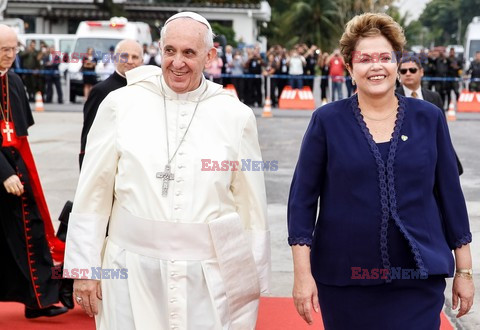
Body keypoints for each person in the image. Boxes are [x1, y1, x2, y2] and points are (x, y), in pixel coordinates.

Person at [64, 12, 270, 330]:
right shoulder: (120, 104)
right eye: (170, 51)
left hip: (206, 275)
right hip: (129, 269)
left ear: (210, 55)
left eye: (189, 52)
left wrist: (251, 278)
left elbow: (251, 204)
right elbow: (94, 190)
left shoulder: (235, 115)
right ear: (159, 51)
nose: (177, 62)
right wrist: (84, 268)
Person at [288, 13, 474, 330]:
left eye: (385, 57)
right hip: (345, 280)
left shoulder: (428, 117)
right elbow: (302, 202)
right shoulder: (327, 121)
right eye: (365, 59)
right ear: (349, 68)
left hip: (418, 277)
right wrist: (302, 275)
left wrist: (465, 271)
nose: (376, 66)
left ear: (396, 64)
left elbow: (450, 197)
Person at [0, 24, 69, 319]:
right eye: (5, 50)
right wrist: (3, 172)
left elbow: (19, 134)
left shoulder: (13, 81)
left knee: (31, 232)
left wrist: (19, 170)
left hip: (16, 167)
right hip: (4, 171)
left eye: (14, 49)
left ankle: (37, 300)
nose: (11, 55)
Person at [79, 39, 143, 169]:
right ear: (115, 59)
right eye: (124, 56)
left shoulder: (146, 89)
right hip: (109, 166)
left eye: (135, 57)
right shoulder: (100, 91)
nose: (130, 61)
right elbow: (89, 135)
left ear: (142, 61)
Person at [396, 56, 464, 175]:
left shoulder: (434, 97)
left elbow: (442, 132)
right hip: (404, 160)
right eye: (403, 71)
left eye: (412, 70)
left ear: (421, 72)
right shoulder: (392, 97)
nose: (408, 74)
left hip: (432, 158)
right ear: (399, 75)